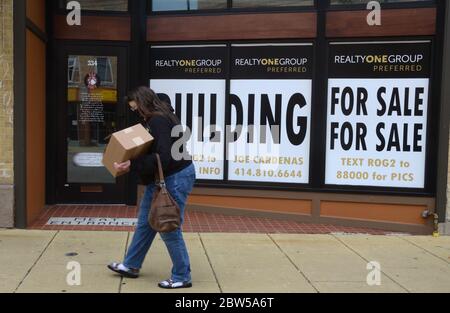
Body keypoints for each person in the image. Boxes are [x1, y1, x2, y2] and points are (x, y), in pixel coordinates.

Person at [107, 86, 196, 289]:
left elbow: (163, 158)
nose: (136, 112)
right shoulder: (162, 116)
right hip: (163, 178)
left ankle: (182, 275)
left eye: (136, 108)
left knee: (168, 225)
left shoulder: (158, 121)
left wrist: (132, 163)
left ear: (143, 102)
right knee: (146, 223)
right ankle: (131, 265)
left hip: (174, 178)